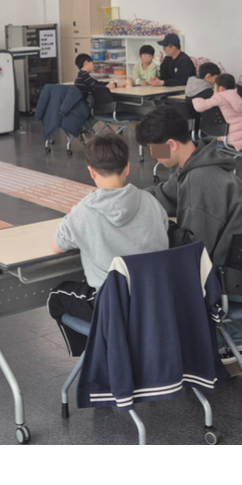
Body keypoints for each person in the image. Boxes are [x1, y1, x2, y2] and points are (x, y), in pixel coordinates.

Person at [136, 106, 242, 370]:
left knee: (162, 276)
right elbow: (167, 194)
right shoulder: (198, 164)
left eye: (153, 148)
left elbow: (192, 248)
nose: (152, 155)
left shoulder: (200, 178)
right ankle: (234, 344)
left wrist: (160, 230)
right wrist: (128, 199)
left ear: (171, 144)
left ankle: (204, 348)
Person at [47, 135, 168, 356]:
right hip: (157, 301)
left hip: (113, 306)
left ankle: (96, 357)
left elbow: (57, 246)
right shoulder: (151, 201)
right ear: (128, 168)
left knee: (57, 296)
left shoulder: (83, 212)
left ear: (91, 171)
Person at [192, 74, 242, 161]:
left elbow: (199, 107)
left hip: (227, 134)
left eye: (215, 86)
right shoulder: (239, 95)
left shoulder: (219, 98)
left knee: (221, 133)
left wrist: (196, 99)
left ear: (221, 88)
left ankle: (223, 158)